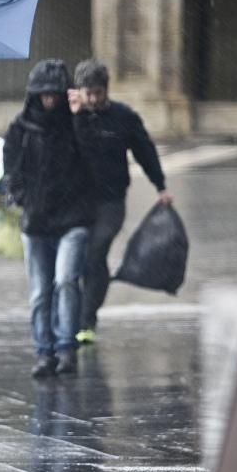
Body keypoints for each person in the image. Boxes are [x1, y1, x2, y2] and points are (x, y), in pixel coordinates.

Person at [67, 59, 172, 343]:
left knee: (95, 252)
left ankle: (87, 319)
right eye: (87, 92)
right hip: (75, 200)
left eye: (97, 93)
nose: (92, 99)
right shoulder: (69, 116)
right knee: (76, 260)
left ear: (106, 91)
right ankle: (72, 315)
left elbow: (144, 150)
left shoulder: (123, 117)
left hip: (111, 200)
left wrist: (160, 185)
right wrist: (75, 116)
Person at [4, 59, 94, 377]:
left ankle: (66, 347)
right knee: (40, 291)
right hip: (37, 222)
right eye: (44, 95)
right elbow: (12, 174)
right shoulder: (20, 129)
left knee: (66, 282)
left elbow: (97, 163)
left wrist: (81, 117)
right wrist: (25, 200)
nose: (50, 101)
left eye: (54, 94)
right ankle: (44, 351)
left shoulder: (77, 125)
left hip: (73, 220)